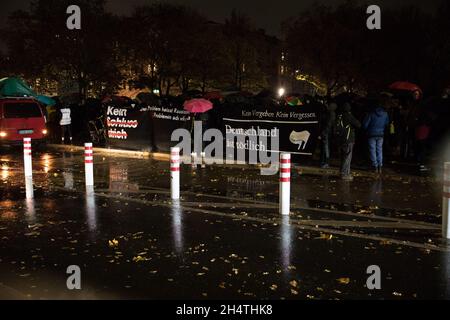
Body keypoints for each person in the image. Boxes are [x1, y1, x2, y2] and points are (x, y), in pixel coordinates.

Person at [336, 102, 361, 181]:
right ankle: (345, 174)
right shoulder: (349, 116)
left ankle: (341, 172)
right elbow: (358, 124)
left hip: (341, 139)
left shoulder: (340, 116)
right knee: (347, 157)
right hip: (348, 138)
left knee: (343, 156)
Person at [362, 105, 390, 174]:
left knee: (372, 150)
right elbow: (387, 123)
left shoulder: (371, 114)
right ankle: (380, 166)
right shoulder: (385, 114)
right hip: (381, 134)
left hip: (371, 134)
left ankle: (375, 166)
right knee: (379, 150)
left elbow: (365, 125)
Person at [320, 102, 337, 168]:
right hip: (328, 132)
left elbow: (328, 124)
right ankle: (325, 162)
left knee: (325, 148)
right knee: (326, 148)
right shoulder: (331, 113)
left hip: (326, 132)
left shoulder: (330, 114)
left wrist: (323, 132)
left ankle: (325, 163)